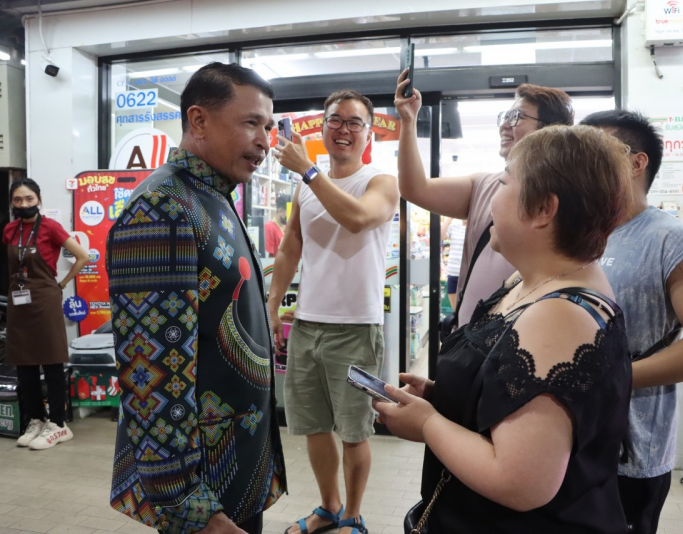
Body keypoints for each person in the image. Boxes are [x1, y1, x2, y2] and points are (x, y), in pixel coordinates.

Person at [376, 125, 634, 533]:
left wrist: (428, 424)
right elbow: (517, 398)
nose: (490, 200)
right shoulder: (530, 282)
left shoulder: (559, 314)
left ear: (544, 209)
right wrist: (449, 398)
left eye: (503, 183)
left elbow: (521, 482)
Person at [106, 62, 286, 534]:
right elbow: (150, 375)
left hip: (235, 467)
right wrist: (187, 504)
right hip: (202, 490)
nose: (265, 141)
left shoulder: (212, 194)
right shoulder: (162, 207)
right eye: (251, 123)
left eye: (268, 126)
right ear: (199, 120)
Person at [581, 109, 683, 534]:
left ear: (636, 162)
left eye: (595, 151)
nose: (581, 162)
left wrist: (616, 377)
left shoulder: (672, 240)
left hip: (632, 452)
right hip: (570, 439)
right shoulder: (579, 235)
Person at [269, 89, 399, 534]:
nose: (343, 129)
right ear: (323, 128)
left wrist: (308, 171)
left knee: (354, 430)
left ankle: (353, 516)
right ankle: (329, 507)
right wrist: (273, 304)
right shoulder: (306, 188)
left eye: (354, 122)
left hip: (358, 329)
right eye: (335, 120)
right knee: (313, 426)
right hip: (307, 325)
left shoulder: (380, 181)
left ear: (369, 133)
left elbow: (358, 218)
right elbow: (290, 246)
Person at [394, 69, 574, 328]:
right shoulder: (483, 185)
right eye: (505, 116)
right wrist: (408, 121)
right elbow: (414, 189)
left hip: (524, 338)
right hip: (468, 339)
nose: (504, 125)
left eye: (517, 117)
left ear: (549, 129)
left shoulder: (565, 198)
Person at [4, 178, 88, 450]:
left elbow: (83, 256)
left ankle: (59, 424)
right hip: (18, 300)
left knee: (51, 361)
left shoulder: (50, 227)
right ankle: (36, 420)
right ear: (12, 202)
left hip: (45, 298)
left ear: (39, 199)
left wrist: (61, 285)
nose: (23, 204)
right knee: (24, 363)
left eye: (29, 199)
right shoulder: (9, 230)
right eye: (18, 200)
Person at [440, 218, 466, 310]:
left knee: (466, 308)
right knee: (455, 310)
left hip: (467, 273)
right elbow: (441, 235)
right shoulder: (454, 227)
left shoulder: (474, 227)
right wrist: (450, 217)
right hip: (452, 273)